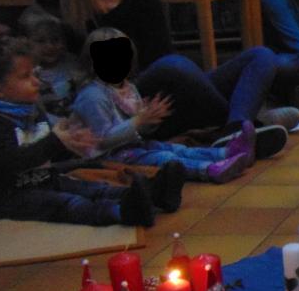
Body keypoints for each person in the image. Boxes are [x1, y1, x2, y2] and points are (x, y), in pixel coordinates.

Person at [31, 0, 291, 151]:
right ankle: (246, 124)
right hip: (133, 102)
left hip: (171, 84)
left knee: (261, 55)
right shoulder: (76, 28)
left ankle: (234, 129)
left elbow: (163, 62)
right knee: (174, 66)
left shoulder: (141, 1)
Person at [0, 36, 183, 227]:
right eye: (26, 77)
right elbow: (15, 161)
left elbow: (47, 152)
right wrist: (56, 142)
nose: (36, 82)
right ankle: (122, 213)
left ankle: (155, 194)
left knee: (90, 188)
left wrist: (70, 143)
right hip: (9, 196)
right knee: (66, 204)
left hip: (43, 180)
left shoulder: (29, 109)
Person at [72, 28, 255, 184]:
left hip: (130, 147)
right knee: (164, 158)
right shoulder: (92, 96)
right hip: (106, 157)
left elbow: (137, 132)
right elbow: (103, 140)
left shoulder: (127, 88)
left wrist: (150, 120)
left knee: (173, 149)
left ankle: (225, 153)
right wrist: (138, 120)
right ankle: (207, 170)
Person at [19, 12, 85, 118]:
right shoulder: (26, 71)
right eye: (41, 41)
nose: (49, 47)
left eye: (55, 40)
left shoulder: (72, 64)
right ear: (27, 43)